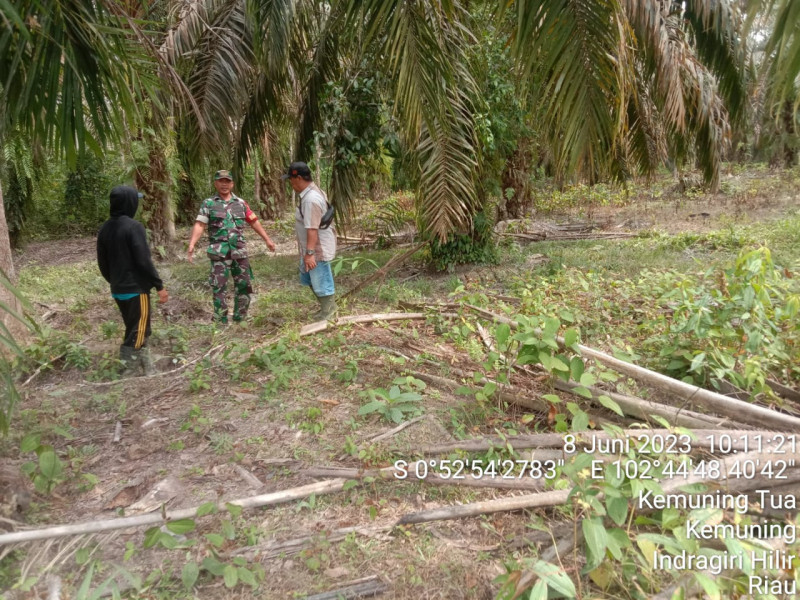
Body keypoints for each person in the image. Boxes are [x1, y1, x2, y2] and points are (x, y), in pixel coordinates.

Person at [97, 185, 169, 377]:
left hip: (118, 289)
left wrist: (115, 281)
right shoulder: (134, 227)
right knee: (139, 331)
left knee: (136, 328)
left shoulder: (105, 229)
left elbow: (102, 263)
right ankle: (127, 370)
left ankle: (148, 368)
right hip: (137, 289)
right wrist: (159, 285)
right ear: (130, 202)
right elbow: (143, 260)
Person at [187, 170, 276, 324]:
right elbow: (200, 224)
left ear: (232, 184)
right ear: (215, 183)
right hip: (219, 252)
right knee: (218, 286)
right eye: (221, 181)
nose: (224, 184)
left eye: (227, 181)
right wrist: (192, 243)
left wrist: (267, 239)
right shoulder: (209, 203)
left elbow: (253, 221)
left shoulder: (241, 203)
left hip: (239, 251)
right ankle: (220, 320)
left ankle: (240, 317)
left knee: (244, 284)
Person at [282, 162, 337, 321]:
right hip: (310, 247)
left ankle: (330, 313)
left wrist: (310, 253)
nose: (291, 183)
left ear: (298, 178)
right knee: (308, 277)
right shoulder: (311, 192)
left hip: (316, 248)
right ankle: (326, 309)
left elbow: (312, 228)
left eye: (291, 179)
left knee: (321, 280)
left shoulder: (310, 199)